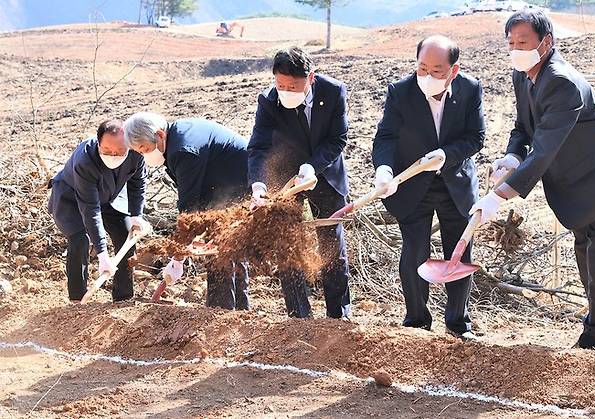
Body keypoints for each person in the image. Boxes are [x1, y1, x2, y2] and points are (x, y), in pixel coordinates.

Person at [471, 10, 595, 352]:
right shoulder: (522, 75)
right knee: (587, 259)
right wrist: (511, 155)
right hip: (578, 183)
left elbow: (545, 149)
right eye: (510, 43)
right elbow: (524, 128)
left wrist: (498, 197)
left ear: (546, 42)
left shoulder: (562, 81)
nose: (515, 49)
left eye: (523, 42)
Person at [371, 35, 485, 339]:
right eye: (422, 68)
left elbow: (476, 137)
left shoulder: (471, 89)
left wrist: (447, 155)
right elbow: (385, 138)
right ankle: (417, 321)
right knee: (414, 252)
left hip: (454, 182)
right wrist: (384, 169)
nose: (427, 76)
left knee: (459, 253)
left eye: (437, 70)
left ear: (453, 70)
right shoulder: (401, 91)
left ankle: (458, 324)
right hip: (413, 184)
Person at [248, 47, 351, 319]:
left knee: (331, 242)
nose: (286, 91)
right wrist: (259, 186)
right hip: (285, 178)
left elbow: (338, 138)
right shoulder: (269, 101)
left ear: (310, 79)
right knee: (287, 241)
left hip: (325, 174)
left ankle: (338, 314)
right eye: (280, 85)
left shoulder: (333, 92)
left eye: (293, 86)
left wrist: (312, 167)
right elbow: (258, 147)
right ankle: (298, 313)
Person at [124, 112, 250, 309]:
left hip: (239, 184)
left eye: (145, 149)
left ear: (159, 135)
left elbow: (189, 211)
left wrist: (177, 258)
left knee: (219, 248)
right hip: (227, 185)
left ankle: (220, 313)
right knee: (229, 247)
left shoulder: (183, 151)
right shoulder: (177, 136)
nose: (144, 155)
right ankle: (240, 310)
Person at [48, 119, 149, 302]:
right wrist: (103, 255)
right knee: (80, 240)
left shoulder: (136, 152)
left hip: (109, 196)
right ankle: (78, 299)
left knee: (125, 234)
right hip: (72, 197)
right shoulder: (84, 161)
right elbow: (90, 210)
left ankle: (123, 298)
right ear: (98, 143)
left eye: (119, 152)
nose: (113, 155)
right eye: (107, 151)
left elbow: (137, 184)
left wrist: (136, 215)